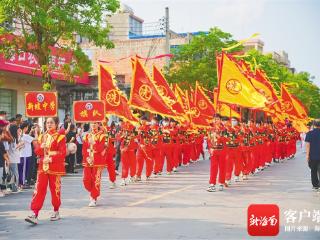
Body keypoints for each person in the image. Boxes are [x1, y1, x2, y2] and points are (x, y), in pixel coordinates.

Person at [25, 117, 66, 225]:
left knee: (55, 189)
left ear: (56, 124)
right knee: (39, 189)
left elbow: (62, 153)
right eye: (47, 122)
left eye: (51, 122)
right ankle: (35, 213)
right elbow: (37, 152)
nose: (49, 124)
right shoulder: (42, 136)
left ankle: (56, 211)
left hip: (55, 167)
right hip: (43, 167)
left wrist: (51, 158)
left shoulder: (60, 137)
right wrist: (40, 147)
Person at [82, 122, 106, 207]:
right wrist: (87, 157)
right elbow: (84, 148)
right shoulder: (86, 136)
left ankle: (93, 197)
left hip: (97, 161)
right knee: (86, 180)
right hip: (88, 160)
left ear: (98, 125)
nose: (93, 125)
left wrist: (94, 143)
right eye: (92, 123)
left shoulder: (102, 136)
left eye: (95, 123)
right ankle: (92, 191)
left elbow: (101, 148)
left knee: (96, 180)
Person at [305, 120, 320, 191]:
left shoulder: (309, 133)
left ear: (314, 125)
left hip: (313, 156)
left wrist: (307, 155)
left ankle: (315, 185)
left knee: (313, 171)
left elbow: (308, 145)